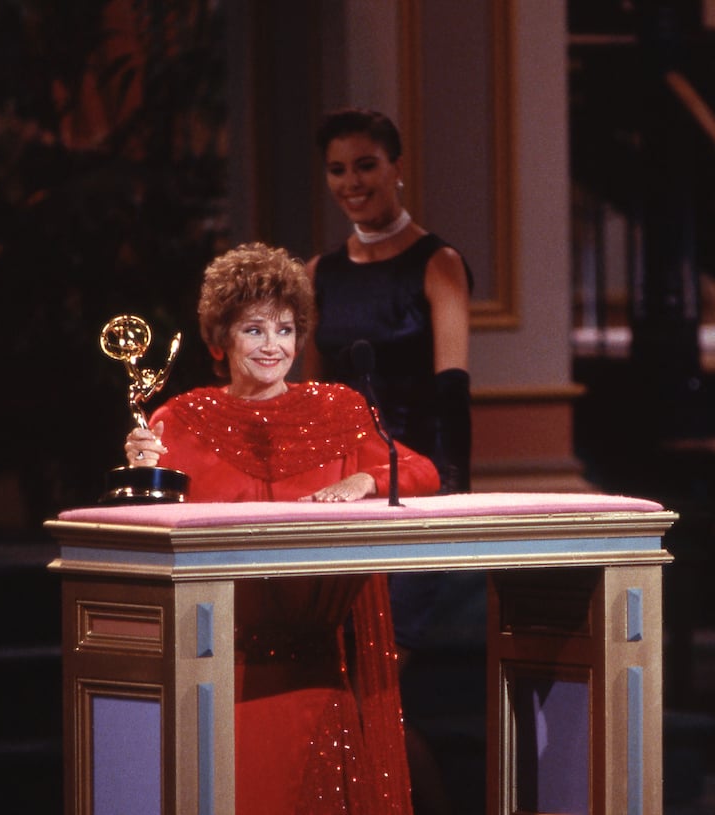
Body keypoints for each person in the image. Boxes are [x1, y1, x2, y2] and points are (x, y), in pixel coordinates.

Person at [125, 241, 440, 814]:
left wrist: (365, 481)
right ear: (220, 341)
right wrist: (144, 473)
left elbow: (418, 470)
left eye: (286, 330)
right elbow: (149, 530)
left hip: (316, 675)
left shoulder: (339, 409)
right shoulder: (180, 418)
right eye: (254, 331)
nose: (274, 346)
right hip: (219, 671)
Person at [301, 109, 476, 815]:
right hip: (341, 504)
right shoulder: (320, 271)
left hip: (415, 498)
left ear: (397, 167)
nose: (352, 182)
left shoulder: (438, 262)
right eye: (339, 169)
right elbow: (308, 400)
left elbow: (453, 389)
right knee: (350, 695)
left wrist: (453, 497)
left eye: (366, 165)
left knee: (375, 691)